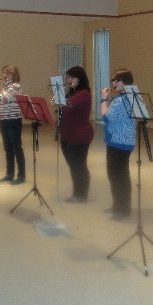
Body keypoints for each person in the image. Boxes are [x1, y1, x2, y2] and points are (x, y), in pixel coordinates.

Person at [100, 68, 136, 219]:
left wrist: (103, 100)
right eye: (113, 81)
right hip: (125, 141)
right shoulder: (132, 96)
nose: (113, 84)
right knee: (119, 174)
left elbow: (106, 118)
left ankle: (122, 208)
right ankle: (119, 204)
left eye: (116, 81)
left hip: (118, 142)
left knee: (117, 175)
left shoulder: (120, 101)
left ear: (124, 82)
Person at [59, 66, 94, 203]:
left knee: (79, 166)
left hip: (79, 135)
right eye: (68, 77)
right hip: (67, 134)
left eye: (72, 77)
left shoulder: (83, 94)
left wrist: (59, 93)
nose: (69, 80)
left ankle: (81, 195)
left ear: (80, 79)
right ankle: (77, 192)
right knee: (73, 166)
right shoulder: (72, 93)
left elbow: (69, 104)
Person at [0, 65, 26, 185]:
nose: (4, 75)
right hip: (4, 119)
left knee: (16, 148)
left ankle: (21, 175)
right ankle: (9, 174)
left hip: (13, 120)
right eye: (3, 73)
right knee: (7, 148)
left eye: (6, 73)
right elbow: (2, 100)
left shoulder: (16, 86)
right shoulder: (6, 87)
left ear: (13, 74)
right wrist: (0, 89)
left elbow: (1, 99)